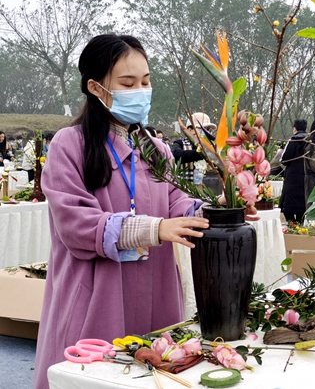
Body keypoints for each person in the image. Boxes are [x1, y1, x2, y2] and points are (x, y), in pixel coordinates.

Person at [33, 34, 212, 389]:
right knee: (95, 378)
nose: (140, 91)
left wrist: (222, 212)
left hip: (158, 294)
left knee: (159, 375)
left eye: (145, 82)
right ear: (96, 87)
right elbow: (76, 225)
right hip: (97, 298)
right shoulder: (71, 145)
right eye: (128, 83)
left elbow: (179, 203)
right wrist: (155, 228)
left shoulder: (156, 150)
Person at [171, 113, 217, 185]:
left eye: (208, 129)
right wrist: (203, 153)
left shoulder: (212, 147)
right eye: (202, 129)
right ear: (190, 130)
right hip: (185, 189)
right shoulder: (180, 144)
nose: (206, 132)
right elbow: (177, 155)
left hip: (209, 190)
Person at [279, 119, 309, 223]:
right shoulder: (310, 142)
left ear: (294, 129)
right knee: (302, 209)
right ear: (306, 129)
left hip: (291, 180)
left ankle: (292, 227)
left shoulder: (292, 141)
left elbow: (284, 160)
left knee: (289, 210)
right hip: (305, 180)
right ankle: (300, 228)